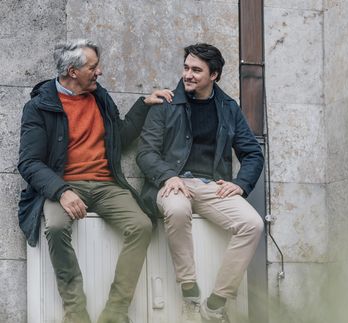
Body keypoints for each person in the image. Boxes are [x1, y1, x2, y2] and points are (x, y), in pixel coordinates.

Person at [17, 39, 171, 323]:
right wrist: (61, 191)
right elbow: (29, 162)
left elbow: (120, 137)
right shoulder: (39, 107)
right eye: (93, 67)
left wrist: (144, 105)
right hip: (63, 185)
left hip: (105, 184)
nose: (99, 72)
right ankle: (75, 312)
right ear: (73, 71)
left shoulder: (100, 97)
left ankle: (115, 312)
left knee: (141, 226)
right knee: (56, 225)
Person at [136, 43, 264, 322]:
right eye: (186, 68)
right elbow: (145, 153)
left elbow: (252, 153)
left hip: (212, 187)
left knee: (253, 224)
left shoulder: (229, 108)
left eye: (196, 70)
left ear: (214, 75)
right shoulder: (166, 103)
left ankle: (217, 303)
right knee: (178, 209)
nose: (188, 75)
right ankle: (190, 291)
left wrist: (240, 184)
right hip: (171, 183)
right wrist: (168, 176)